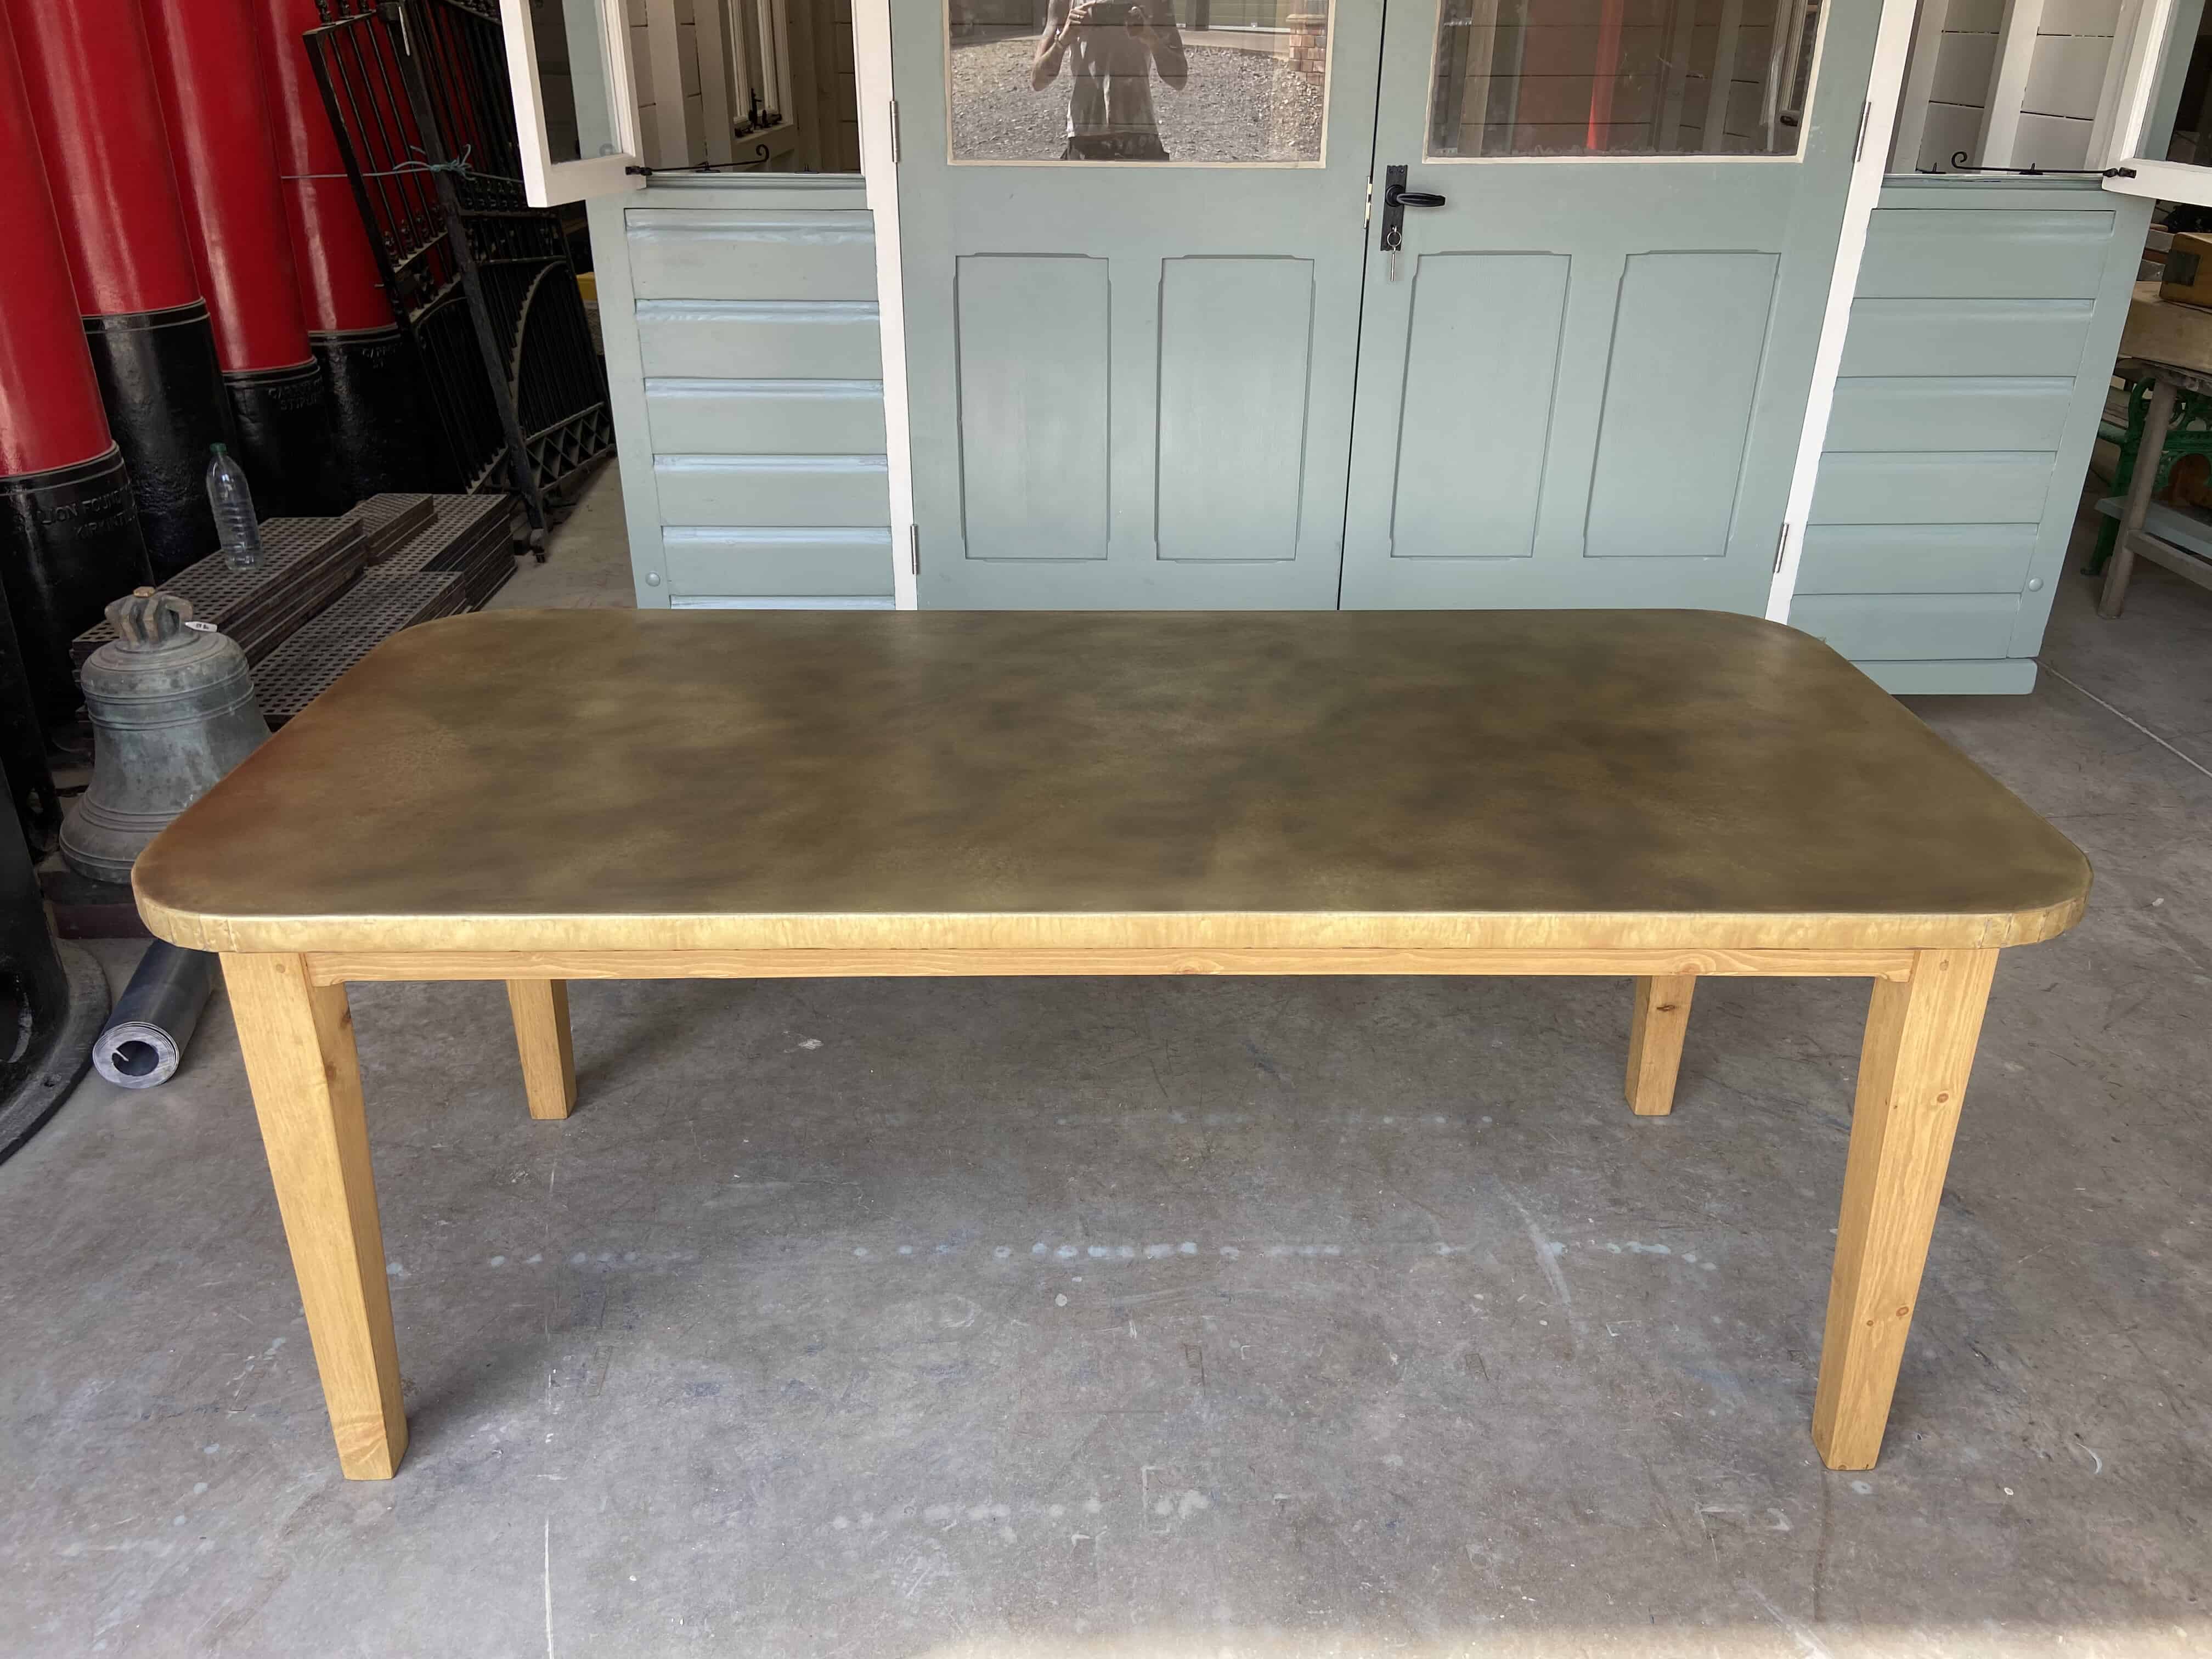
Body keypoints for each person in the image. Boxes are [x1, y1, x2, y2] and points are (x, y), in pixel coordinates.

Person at [1030, 0, 1188, 161]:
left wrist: (1149, 37)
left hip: (1135, 132)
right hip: (1088, 135)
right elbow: (1038, 80)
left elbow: (1179, 79)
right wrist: (1063, 39)